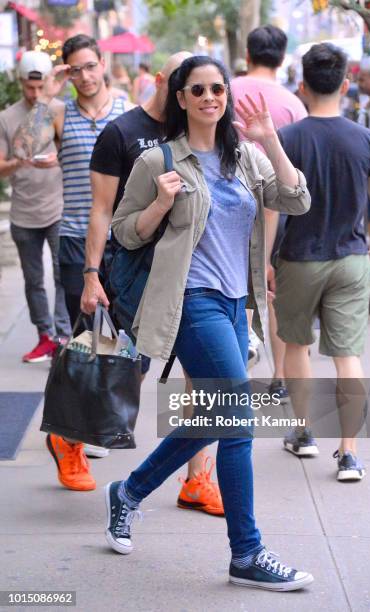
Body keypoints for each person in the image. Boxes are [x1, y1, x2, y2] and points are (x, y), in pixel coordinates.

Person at [106, 55, 313, 592]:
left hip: (233, 302)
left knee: (218, 417)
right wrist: (161, 204)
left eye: (217, 88)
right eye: (196, 89)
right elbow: (125, 232)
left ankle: (128, 492)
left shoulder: (243, 156)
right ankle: (246, 552)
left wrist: (270, 139)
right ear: (180, 98)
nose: (209, 97)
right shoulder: (158, 161)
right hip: (188, 301)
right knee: (240, 415)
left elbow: (295, 198)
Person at [81, 51, 224, 516]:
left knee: (201, 380)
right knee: (125, 369)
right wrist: (90, 273)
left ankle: (198, 480)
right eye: (187, 82)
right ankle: (71, 435)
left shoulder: (206, 133)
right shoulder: (122, 132)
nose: (200, 93)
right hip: (136, 274)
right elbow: (103, 209)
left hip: (194, 279)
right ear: (165, 81)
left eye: (209, 85)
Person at [13, 34, 133, 490]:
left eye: (89, 66)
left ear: (103, 64)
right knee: (85, 339)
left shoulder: (126, 109)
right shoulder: (61, 112)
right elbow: (24, 147)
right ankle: (76, 437)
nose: (84, 76)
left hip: (124, 242)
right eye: (74, 69)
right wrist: (51, 94)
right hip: (75, 242)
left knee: (123, 337)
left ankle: (94, 419)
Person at [273, 43, 370, 480]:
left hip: (299, 257)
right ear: (344, 85)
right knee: (348, 356)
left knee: (297, 346)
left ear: (302, 86)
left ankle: (303, 434)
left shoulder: (288, 139)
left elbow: (273, 207)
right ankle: (350, 453)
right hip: (350, 257)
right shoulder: (365, 139)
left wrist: (266, 258)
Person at [231, 25, 307, 397]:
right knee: (271, 291)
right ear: (282, 56)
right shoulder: (293, 104)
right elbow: (293, 171)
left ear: (248, 54)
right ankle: (279, 375)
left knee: (231, 289)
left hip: (225, 205)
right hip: (275, 211)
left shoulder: (223, 90)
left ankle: (232, 366)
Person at [0, 51, 71, 363]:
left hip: (57, 206)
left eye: (39, 87)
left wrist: (59, 157)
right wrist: (20, 162)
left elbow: (72, 151)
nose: (34, 94)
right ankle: (44, 335)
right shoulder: (7, 117)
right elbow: (1, 166)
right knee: (34, 280)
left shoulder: (59, 110)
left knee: (62, 274)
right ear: (21, 83)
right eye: (29, 88)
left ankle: (63, 335)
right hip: (23, 212)